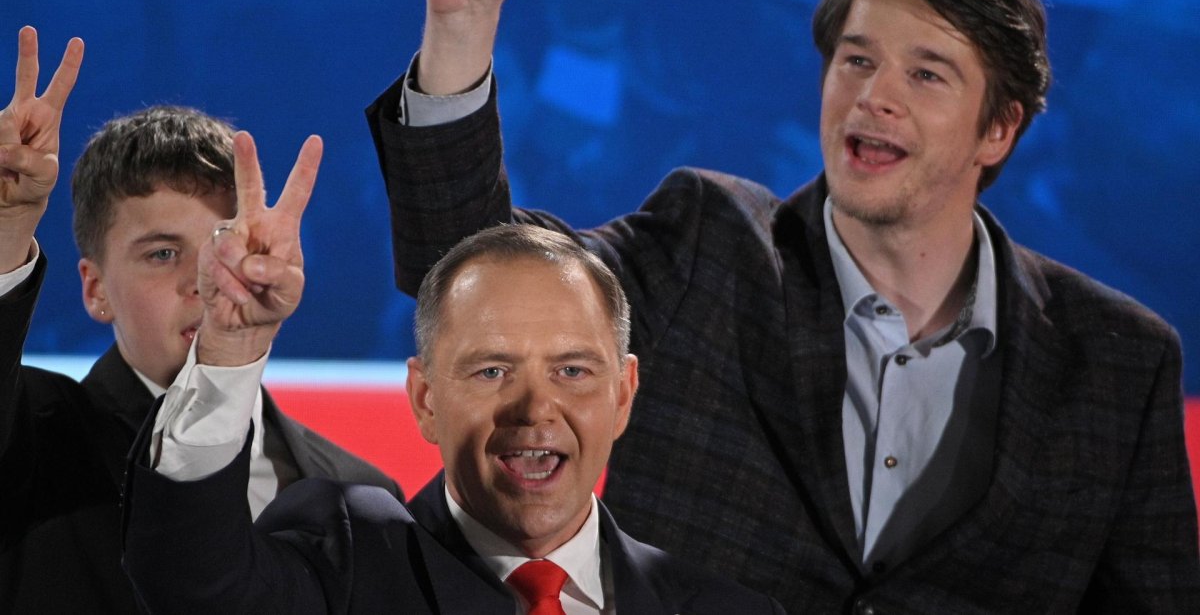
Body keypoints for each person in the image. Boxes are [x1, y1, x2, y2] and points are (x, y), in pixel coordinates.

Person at [367, 0, 1200, 611]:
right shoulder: (709, 244)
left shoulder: (1118, 358)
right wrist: (464, 24)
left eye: (926, 73)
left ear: (999, 128)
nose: (874, 97)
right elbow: (471, 271)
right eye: (857, 60)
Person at [122, 219, 786, 612]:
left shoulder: (724, 608)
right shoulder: (350, 562)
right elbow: (194, 587)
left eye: (573, 370)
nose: (534, 408)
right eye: (493, 370)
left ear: (623, 393)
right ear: (426, 399)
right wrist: (231, 348)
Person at [0, 30, 400, 613]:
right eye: (162, 253)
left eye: (222, 245)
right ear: (95, 289)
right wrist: (8, 225)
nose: (204, 280)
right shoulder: (30, 440)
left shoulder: (362, 493)